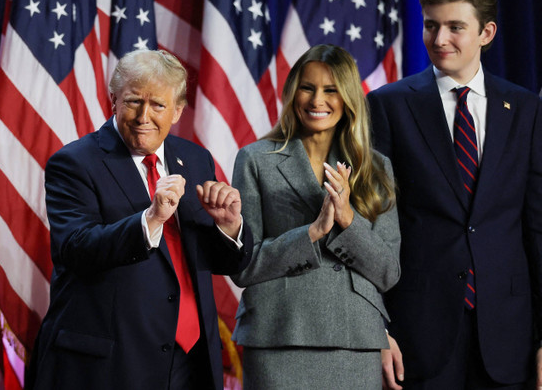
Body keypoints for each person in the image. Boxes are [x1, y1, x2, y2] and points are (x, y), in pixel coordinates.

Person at [25, 49, 253, 390]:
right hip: (112, 364)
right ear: (114, 100)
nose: (143, 116)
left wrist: (229, 226)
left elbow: (218, 261)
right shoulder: (74, 163)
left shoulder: (194, 158)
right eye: (133, 101)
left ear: (176, 111)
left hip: (190, 362)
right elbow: (75, 248)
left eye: (158, 105)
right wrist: (150, 220)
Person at [367, 0, 542, 390]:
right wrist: (377, 328)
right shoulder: (388, 105)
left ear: (487, 33)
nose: (440, 38)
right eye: (431, 25)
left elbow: (536, 226)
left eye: (455, 27)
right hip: (417, 335)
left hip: (508, 336)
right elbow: (372, 228)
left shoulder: (524, 108)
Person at [231, 44, 401, 389]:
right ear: (294, 92)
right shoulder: (255, 159)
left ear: (348, 97)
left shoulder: (376, 167)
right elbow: (245, 265)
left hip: (354, 341)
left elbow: (388, 272)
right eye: (307, 87)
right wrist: (310, 233)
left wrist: (348, 219)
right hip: (279, 335)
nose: (316, 100)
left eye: (331, 90)